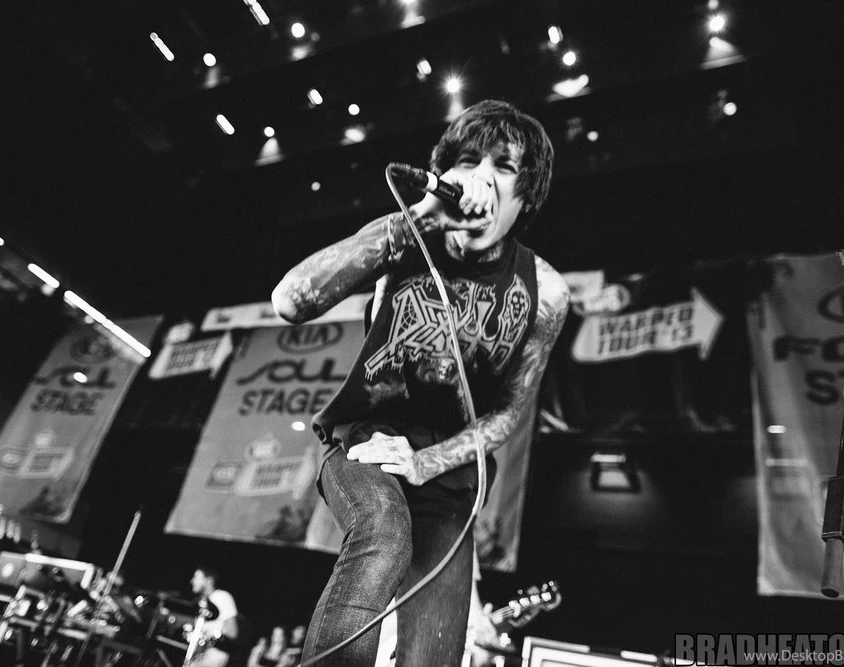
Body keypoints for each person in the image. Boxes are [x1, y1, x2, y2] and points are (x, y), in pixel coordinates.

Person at [271, 99, 568, 666]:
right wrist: (423, 218)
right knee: (383, 532)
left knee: (434, 654)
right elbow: (289, 300)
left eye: (503, 166)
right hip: (365, 441)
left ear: (525, 197)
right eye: (467, 160)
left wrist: (426, 462)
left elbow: (507, 413)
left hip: (448, 481)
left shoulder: (546, 292)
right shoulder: (408, 237)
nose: (480, 176)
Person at [190, 566, 239, 667]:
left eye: (196, 577)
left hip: (214, 654)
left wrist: (212, 640)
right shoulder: (200, 602)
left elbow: (232, 632)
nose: (192, 581)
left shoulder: (222, 597)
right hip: (198, 654)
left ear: (208, 580)